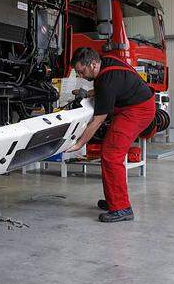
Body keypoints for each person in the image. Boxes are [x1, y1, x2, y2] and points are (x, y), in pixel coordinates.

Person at [67, 47, 156, 223]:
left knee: (111, 155)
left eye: (81, 71)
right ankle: (114, 200)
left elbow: (98, 120)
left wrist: (79, 144)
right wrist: (91, 94)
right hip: (135, 105)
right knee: (109, 153)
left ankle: (121, 208)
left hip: (138, 110)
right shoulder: (105, 62)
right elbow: (111, 89)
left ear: (93, 64)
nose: (81, 76)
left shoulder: (105, 80)